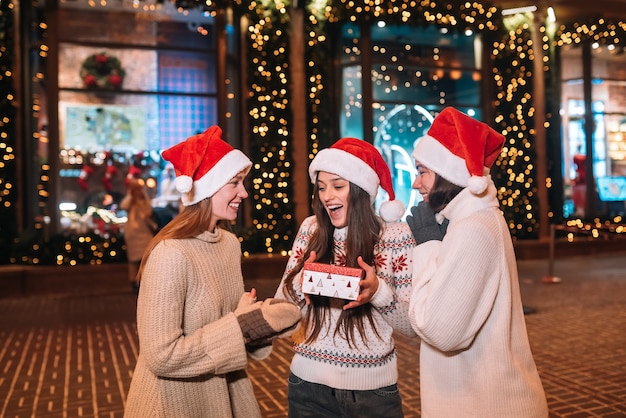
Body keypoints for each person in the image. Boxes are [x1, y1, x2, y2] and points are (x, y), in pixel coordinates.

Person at [124, 126, 302, 418]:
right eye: (234, 183)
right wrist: (240, 325)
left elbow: (229, 328)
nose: (243, 192)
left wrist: (258, 326)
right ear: (207, 188)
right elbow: (160, 356)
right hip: (173, 405)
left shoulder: (228, 243)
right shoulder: (171, 254)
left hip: (225, 397)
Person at [406, 107, 548, 417]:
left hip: (487, 404)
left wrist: (429, 245)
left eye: (422, 171)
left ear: (448, 175)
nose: (417, 184)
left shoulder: (473, 227)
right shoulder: (470, 221)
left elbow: (441, 331)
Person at [275, 138, 416, 418]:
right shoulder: (311, 229)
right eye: (322, 187)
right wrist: (301, 281)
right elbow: (282, 305)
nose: (327, 196)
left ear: (362, 190)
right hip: (307, 387)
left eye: (338, 186)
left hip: (374, 393)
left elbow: (412, 326)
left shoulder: (395, 236)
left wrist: (378, 292)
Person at [120, 177, 156, 294]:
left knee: (145, 258)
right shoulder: (130, 202)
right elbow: (123, 205)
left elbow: (149, 213)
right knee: (134, 260)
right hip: (133, 234)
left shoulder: (145, 201)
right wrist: (130, 194)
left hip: (145, 233)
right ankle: (134, 282)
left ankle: (144, 281)